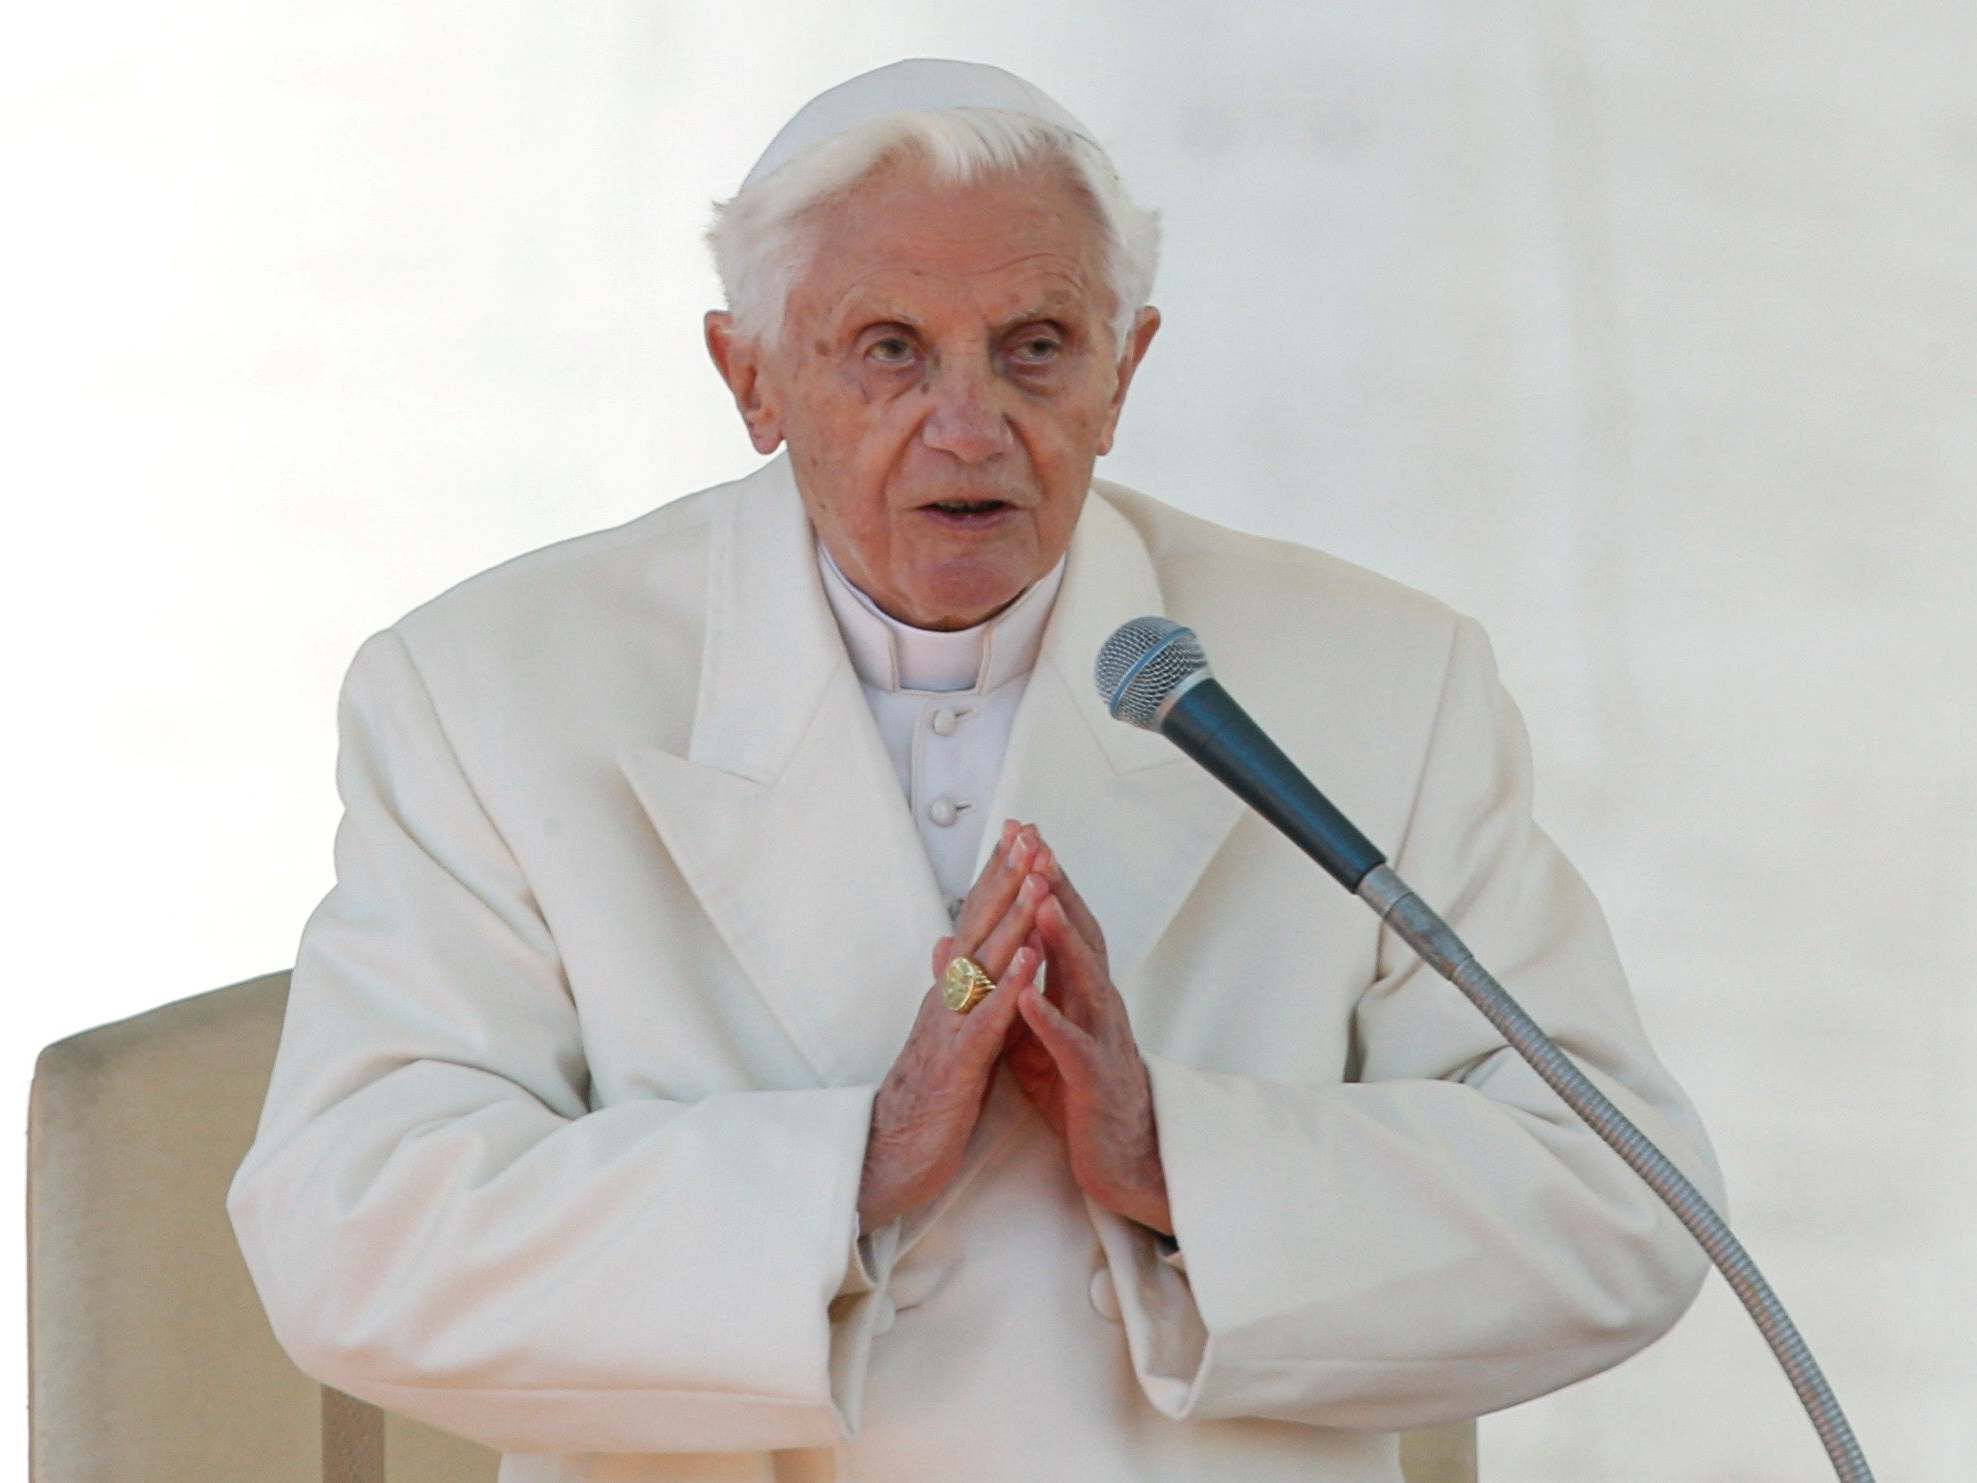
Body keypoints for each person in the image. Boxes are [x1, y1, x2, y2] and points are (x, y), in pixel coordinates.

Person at [227, 57, 1726, 1483]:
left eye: (1036, 350)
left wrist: (1173, 1161)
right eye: (888, 352)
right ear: (747, 375)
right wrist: (850, 1170)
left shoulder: (1377, 681)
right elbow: (353, 1238)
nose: (969, 426)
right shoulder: (494, 686)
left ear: (1124, 370)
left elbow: (1621, 1206)